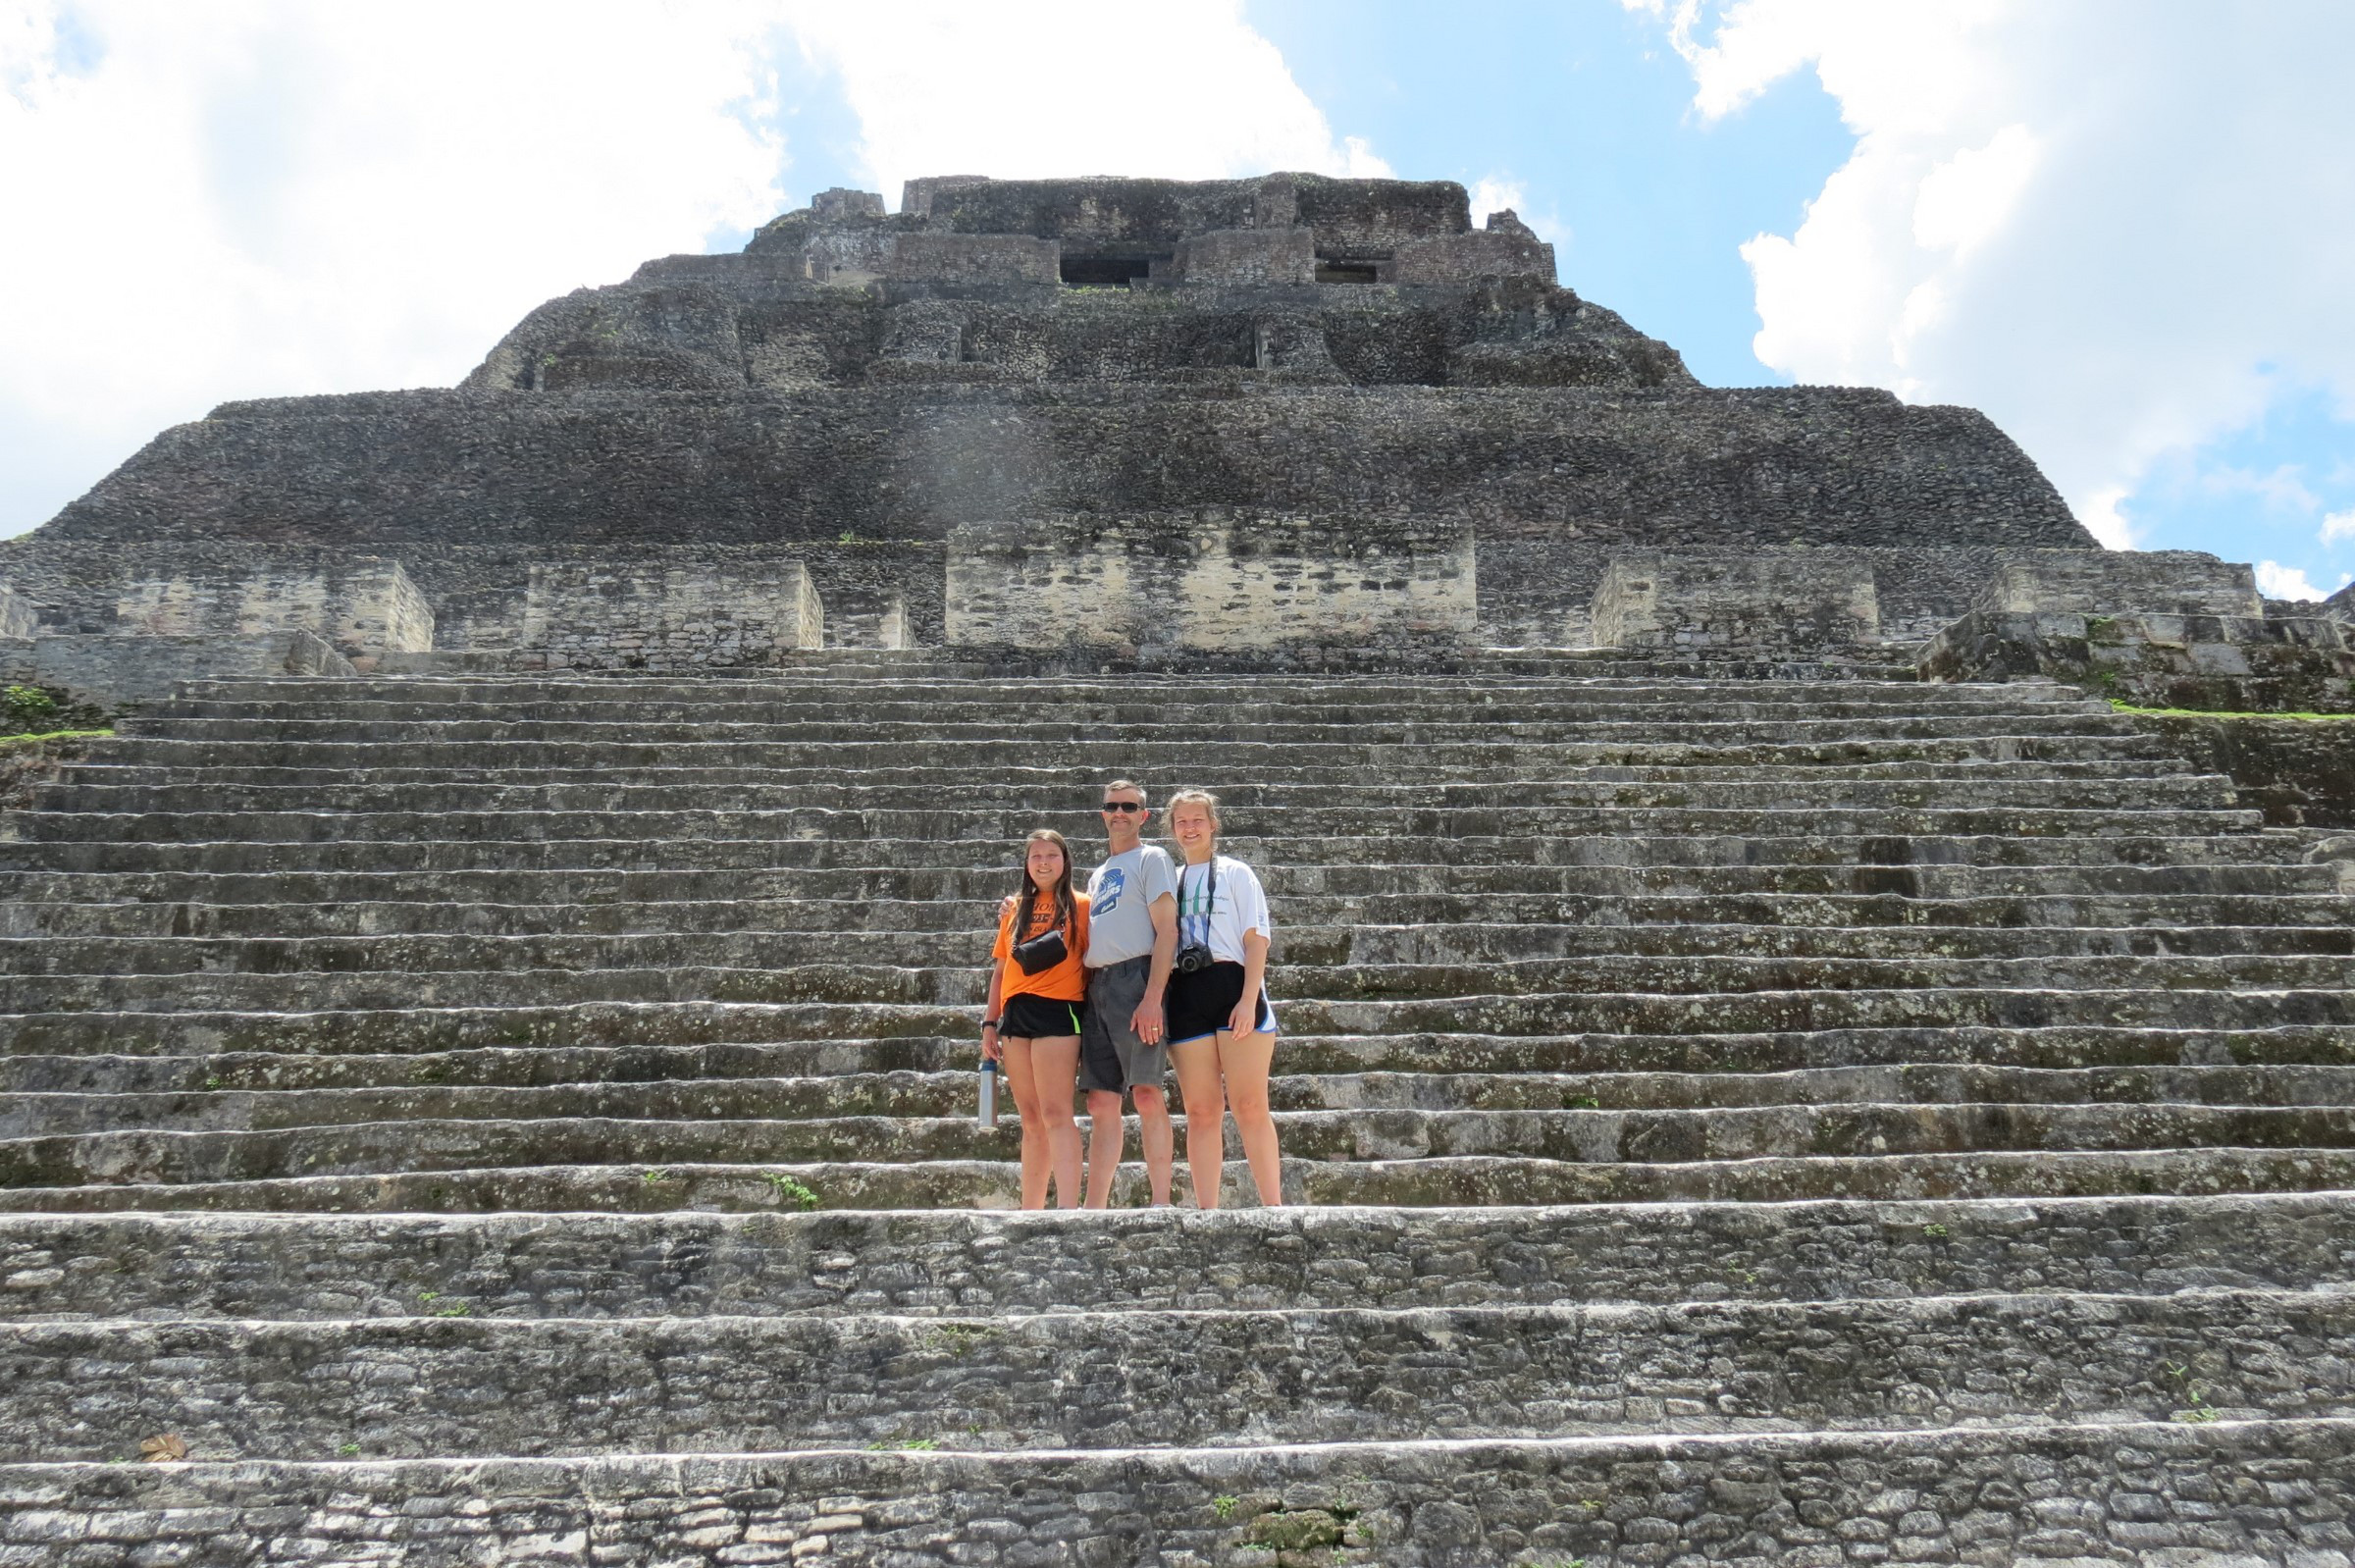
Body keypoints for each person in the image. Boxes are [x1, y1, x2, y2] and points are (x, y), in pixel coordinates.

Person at [1162, 788, 1282, 1208]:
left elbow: (1256, 939)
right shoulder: (1168, 880)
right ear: (1172, 829)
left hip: (1234, 987)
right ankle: (1206, 1211)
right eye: (1181, 821)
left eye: (1198, 819)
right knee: (1200, 1110)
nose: (1189, 827)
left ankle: (1274, 1207)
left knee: (1249, 1104)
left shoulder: (1235, 873)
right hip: (1186, 993)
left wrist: (1249, 1000)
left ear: (1213, 825)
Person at [1077, 779, 1179, 1208]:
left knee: (1145, 1092)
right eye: (1112, 806)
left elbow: (1167, 929)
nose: (1119, 813)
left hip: (1136, 980)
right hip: (1096, 985)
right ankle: (1093, 1206)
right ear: (1103, 813)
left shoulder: (1152, 858)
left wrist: (1153, 995)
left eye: (1129, 806)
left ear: (1143, 815)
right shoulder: (1098, 874)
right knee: (1101, 1101)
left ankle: (1161, 1201)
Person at [979, 828, 1090, 1209]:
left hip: (1059, 1010)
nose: (1043, 863)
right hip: (1015, 1015)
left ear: (1065, 862)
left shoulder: (1083, 905)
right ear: (1027, 864)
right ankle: (1032, 1208)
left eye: (1051, 856)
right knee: (1029, 1118)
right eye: (1036, 856)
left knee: (1056, 1111)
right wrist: (989, 1023)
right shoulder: (1013, 909)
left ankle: (1068, 1207)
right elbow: (1001, 969)